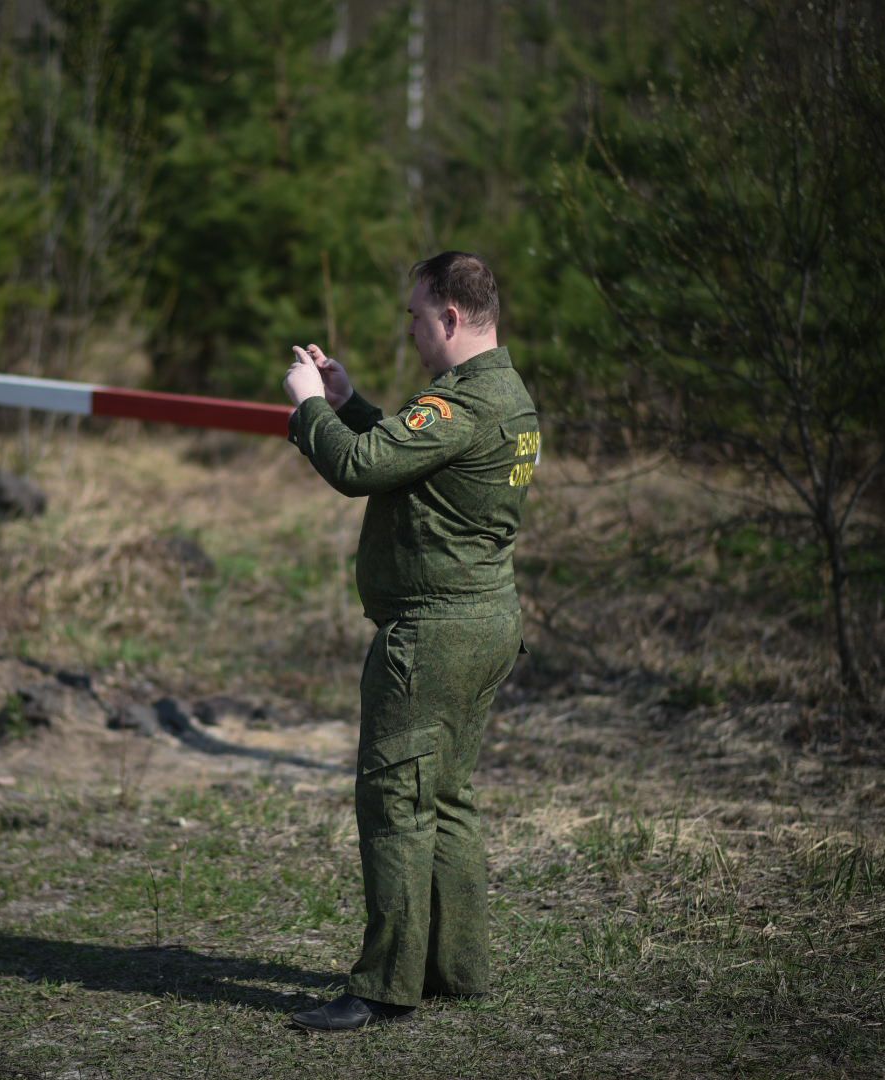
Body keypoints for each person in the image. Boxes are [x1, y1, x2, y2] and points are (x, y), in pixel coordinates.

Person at [280, 251, 540, 1031]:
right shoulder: (505, 397)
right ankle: (456, 968)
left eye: (417, 316)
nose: (413, 328)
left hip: (434, 635)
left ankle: (385, 985)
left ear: (451, 318)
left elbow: (360, 469)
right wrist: (349, 400)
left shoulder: (462, 405)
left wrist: (305, 410)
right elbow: (404, 456)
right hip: (484, 623)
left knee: (395, 800)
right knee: (446, 798)